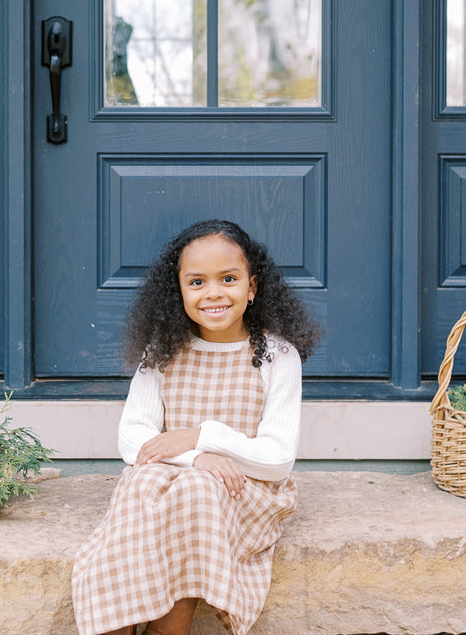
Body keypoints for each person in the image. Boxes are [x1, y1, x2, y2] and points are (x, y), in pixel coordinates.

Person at [72, 218, 321, 635]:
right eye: (197, 282)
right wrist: (198, 455)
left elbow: (277, 461)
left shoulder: (277, 355)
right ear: (180, 291)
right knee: (143, 483)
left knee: (196, 491)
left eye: (228, 278)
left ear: (252, 286)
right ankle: (115, 623)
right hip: (174, 476)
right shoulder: (165, 350)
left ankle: (167, 628)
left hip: (243, 489)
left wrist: (200, 436)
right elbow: (135, 439)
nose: (214, 293)